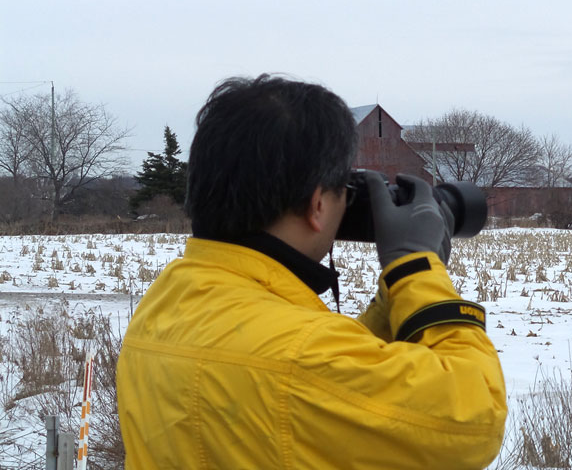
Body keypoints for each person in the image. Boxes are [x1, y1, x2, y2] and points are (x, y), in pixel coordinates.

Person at [116, 75, 507, 469]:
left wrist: (393, 299)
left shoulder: (162, 306)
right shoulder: (303, 356)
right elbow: (475, 419)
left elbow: (328, 377)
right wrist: (416, 270)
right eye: (344, 191)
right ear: (317, 205)